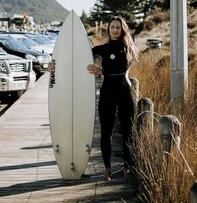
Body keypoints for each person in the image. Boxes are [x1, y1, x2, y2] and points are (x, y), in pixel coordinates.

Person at [49, 16, 139, 181]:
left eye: (118, 27)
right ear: (108, 29)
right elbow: (78, 58)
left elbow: (122, 67)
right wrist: (54, 64)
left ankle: (127, 167)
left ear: (123, 29)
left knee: (128, 132)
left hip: (125, 93)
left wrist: (101, 71)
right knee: (106, 132)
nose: (115, 30)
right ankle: (107, 169)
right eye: (112, 27)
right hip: (107, 93)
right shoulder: (103, 49)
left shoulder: (128, 48)